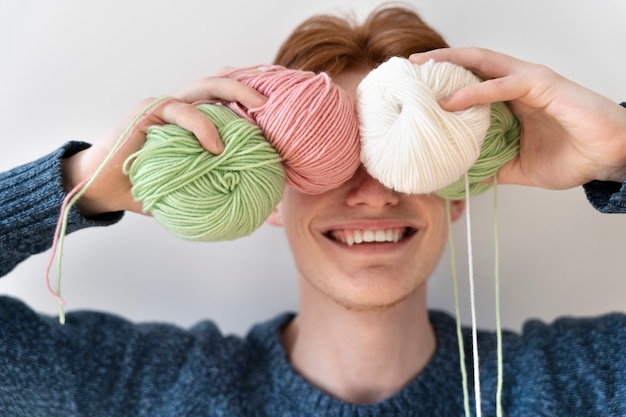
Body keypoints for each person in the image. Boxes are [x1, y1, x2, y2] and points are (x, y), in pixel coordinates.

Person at [1, 4, 625, 416]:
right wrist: (78, 183)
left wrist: (619, 152)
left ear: (457, 186)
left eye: (397, 155)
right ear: (268, 187)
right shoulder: (138, 387)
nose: (373, 192)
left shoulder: (581, 382)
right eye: (324, 156)